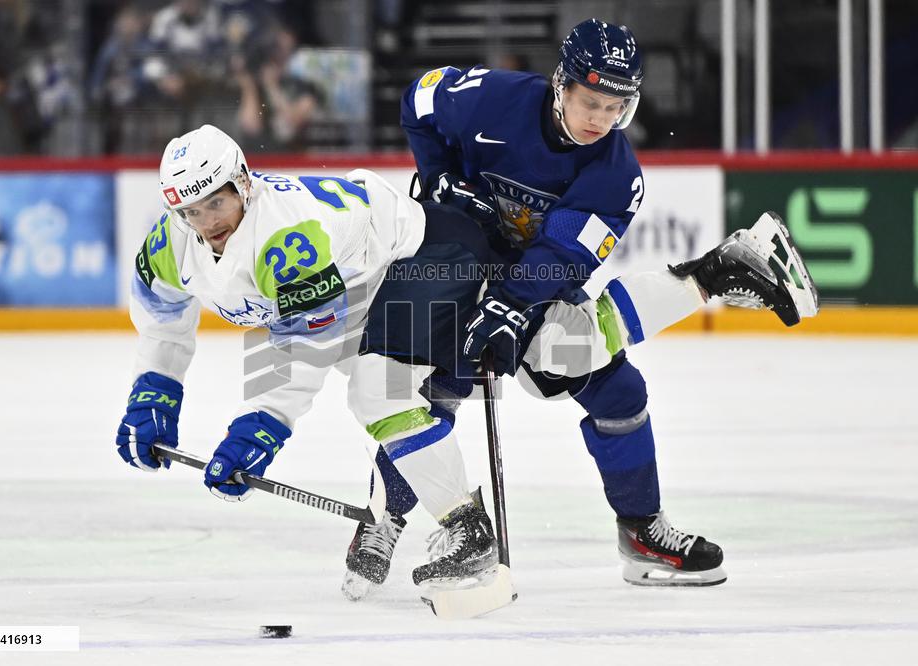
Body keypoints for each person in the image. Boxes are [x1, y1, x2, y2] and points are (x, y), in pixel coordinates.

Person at [341, 19, 818, 597]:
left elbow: (560, 256)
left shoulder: (616, 176)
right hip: (452, 255)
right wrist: (441, 178)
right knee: (437, 387)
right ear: (560, 84)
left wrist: (510, 307)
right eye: (590, 102)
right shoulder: (492, 98)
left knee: (618, 390)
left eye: (615, 107)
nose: (600, 119)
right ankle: (383, 519)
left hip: (528, 277)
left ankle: (642, 533)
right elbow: (419, 101)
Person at [114, 124, 506, 600]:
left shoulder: (285, 237)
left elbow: (303, 346)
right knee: (401, 405)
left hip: (429, 253)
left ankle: (467, 530)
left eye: (216, 202)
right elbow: (162, 323)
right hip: (362, 286)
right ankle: (390, 513)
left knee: (380, 392)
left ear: (242, 182)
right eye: (191, 211)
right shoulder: (168, 245)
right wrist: (153, 394)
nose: (207, 222)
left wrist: (259, 429)